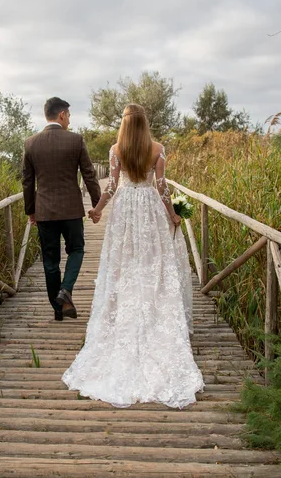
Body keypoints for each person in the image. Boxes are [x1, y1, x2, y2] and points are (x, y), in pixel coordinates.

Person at [62, 103, 204, 408]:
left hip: (125, 209)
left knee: (123, 264)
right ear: (145, 123)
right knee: (152, 263)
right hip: (149, 207)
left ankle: (122, 311)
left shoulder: (116, 149)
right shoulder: (157, 148)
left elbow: (112, 186)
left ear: (125, 125)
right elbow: (163, 186)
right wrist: (173, 214)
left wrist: (98, 210)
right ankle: (152, 309)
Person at [22, 97, 101, 321]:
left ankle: (58, 310)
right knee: (76, 249)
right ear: (62, 115)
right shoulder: (75, 140)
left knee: (50, 261)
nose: (69, 120)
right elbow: (89, 174)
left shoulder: (30, 143)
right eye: (69, 116)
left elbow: (27, 181)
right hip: (72, 210)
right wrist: (96, 204)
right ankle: (65, 290)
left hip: (44, 211)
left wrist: (31, 211)